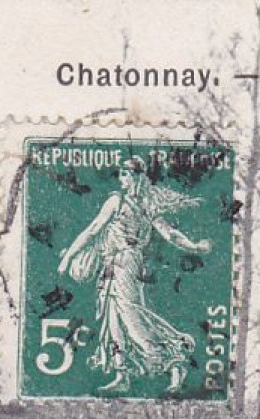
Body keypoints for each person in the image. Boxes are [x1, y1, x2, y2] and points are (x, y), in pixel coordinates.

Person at [57, 156, 214, 394]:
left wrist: (192, 246)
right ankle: (123, 374)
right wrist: (69, 256)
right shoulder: (120, 201)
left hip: (127, 262)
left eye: (126, 174)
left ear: (138, 177)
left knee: (132, 316)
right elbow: (93, 230)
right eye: (122, 174)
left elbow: (169, 233)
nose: (123, 179)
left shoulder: (137, 204)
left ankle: (175, 357)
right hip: (111, 265)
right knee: (113, 320)